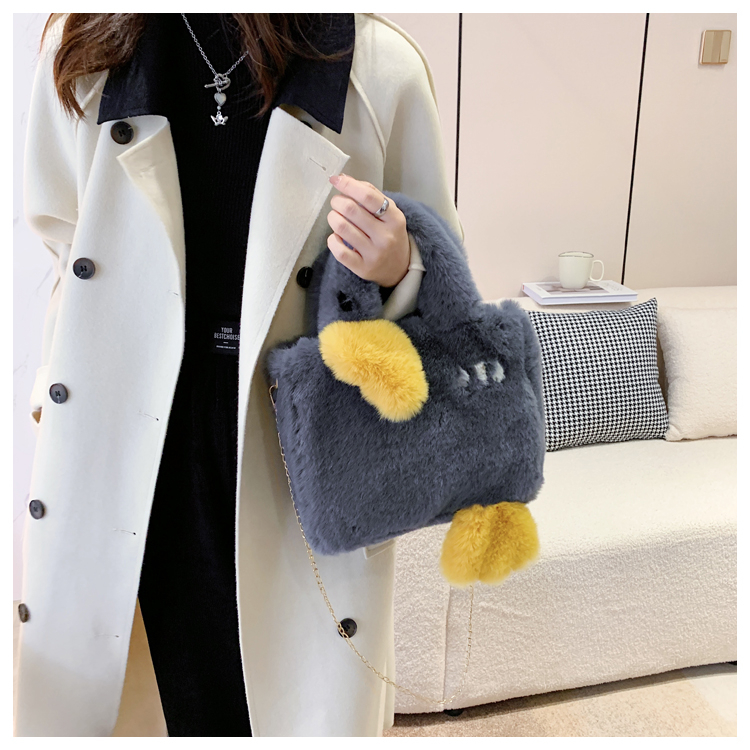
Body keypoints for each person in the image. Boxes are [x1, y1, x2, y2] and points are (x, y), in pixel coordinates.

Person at [17, 12, 464, 737]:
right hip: (134, 433)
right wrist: (54, 400)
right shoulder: (89, 45)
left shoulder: (377, 69)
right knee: (153, 686)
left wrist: (399, 265)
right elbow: (68, 240)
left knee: (287, 697)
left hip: (300, 440)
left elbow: (443, 282)